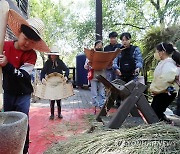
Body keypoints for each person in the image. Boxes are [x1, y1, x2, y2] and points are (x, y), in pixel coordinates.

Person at [0, 10, 50, 154]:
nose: (27, 43)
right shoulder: (4, 46)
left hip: (23, 94)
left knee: (22, 121)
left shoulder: (31, 55)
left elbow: (22, 75)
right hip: (8, 91)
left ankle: (24, 150)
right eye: (25, 38)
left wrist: (7, 65)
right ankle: (7, 148)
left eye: (32, 42)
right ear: (19, 33)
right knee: (7, 120)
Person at [150, 42, 179, 123]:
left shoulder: (169, 64)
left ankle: (167, 124)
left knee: (156, 112)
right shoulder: (164, 62)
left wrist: (155, 90)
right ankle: (165, 124)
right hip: (162, 92)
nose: (156, 53)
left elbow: (165, 80)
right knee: (154, 111)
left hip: (166, 93)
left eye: (157, 51)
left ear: (162, 52)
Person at [41, 46, 69, 120]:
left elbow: (66, 69)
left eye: (54, 55)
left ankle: (59, 113)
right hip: (50, 83)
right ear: (50, 55)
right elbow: (43, 72)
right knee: (52, 99)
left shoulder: (60, 62)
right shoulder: (47, 63)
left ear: (57, 55)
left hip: (58, 83)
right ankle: (52, 114)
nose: (52, 56)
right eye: (51, 55)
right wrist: (42, 78)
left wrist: (66, 76)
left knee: (58, 99)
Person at [84, 40, 106, 114]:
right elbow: (85, 66)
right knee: (94, 93)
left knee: (102, 92)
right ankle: (95, 107)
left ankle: (102, 107)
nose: (99, 47)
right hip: (93, 75)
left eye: (101, 46)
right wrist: (88, 64)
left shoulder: (104, 54)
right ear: (95, 46)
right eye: (98, 46)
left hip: (102, 75)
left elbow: (108, 64)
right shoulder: (90, 55)